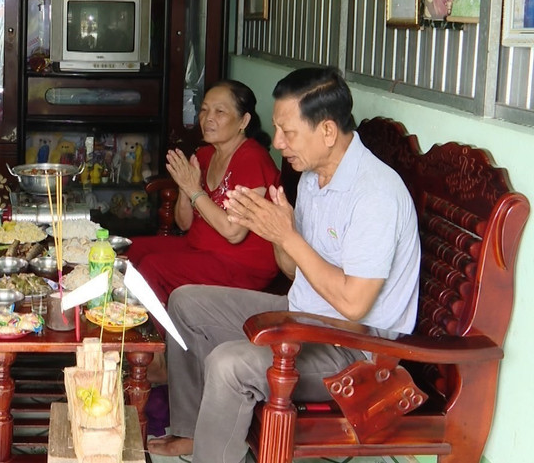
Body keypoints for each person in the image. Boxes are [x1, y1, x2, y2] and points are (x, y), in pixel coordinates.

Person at [148, 67, 420, 461]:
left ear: (327, 131)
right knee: (186, 302)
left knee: (229, 364)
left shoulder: (374, 195)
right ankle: (190, 433)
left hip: (355, 348)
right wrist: (277, 233)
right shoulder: (312, 177)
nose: (277, 142)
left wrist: (287, 235)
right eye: (276, 129)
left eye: (288, 132)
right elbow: (293, 271)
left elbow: (354, 304)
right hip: (306, 314)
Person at [126, 80, 280, 305]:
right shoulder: (205, 155)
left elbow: (233, 232)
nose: (208, 118)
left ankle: (158, 327)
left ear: (244, 121)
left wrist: (193, 189)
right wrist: (184, 185)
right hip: (200, 247)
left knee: (153, 267)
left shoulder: (253, 159)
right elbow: (184, 223)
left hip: (242, 263)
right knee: (130, 249)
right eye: (204, 110)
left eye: (219, 112)